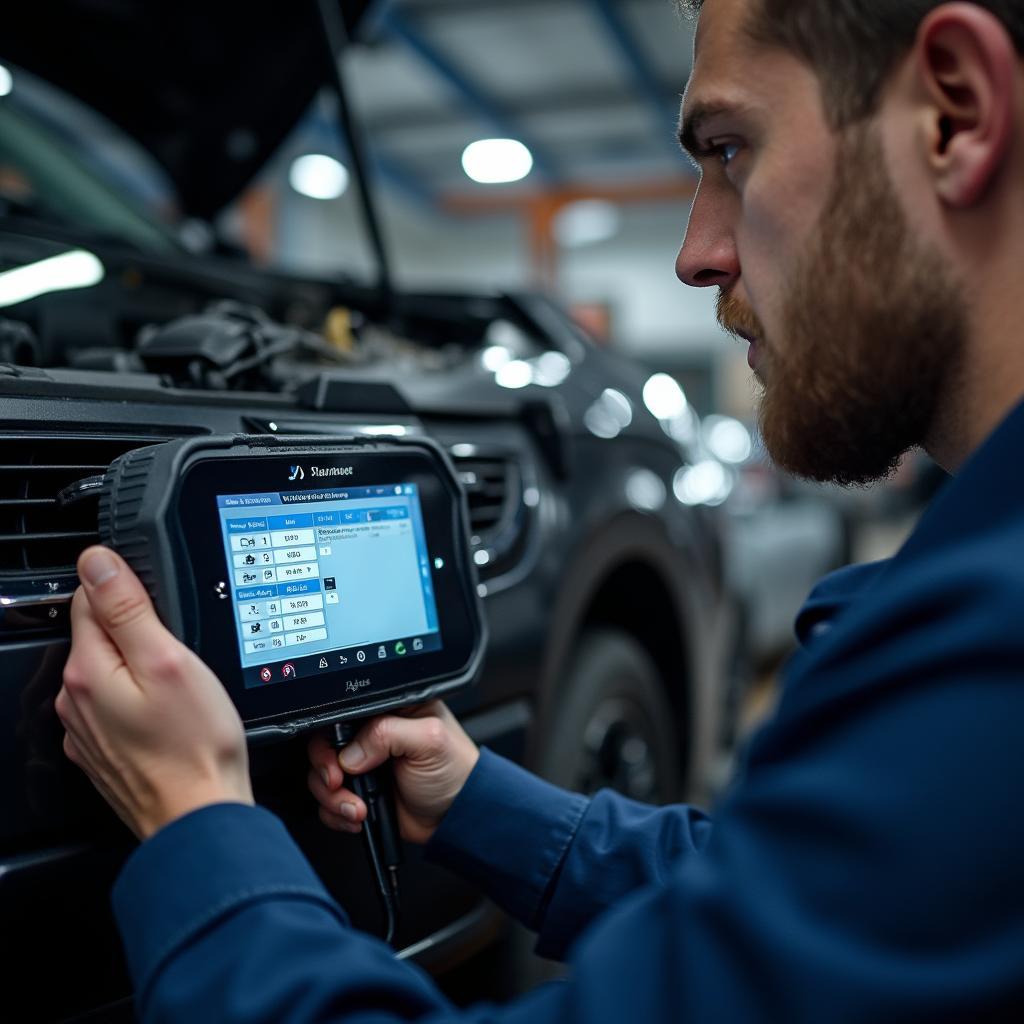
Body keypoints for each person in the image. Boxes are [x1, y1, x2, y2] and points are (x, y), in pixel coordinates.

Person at [56, 0, 1024, 1020]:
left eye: (730, 149)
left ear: (953, 113)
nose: (695, 252)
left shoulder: (991, 662)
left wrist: (200, 827)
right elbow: (813, 916)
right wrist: (478, 796)